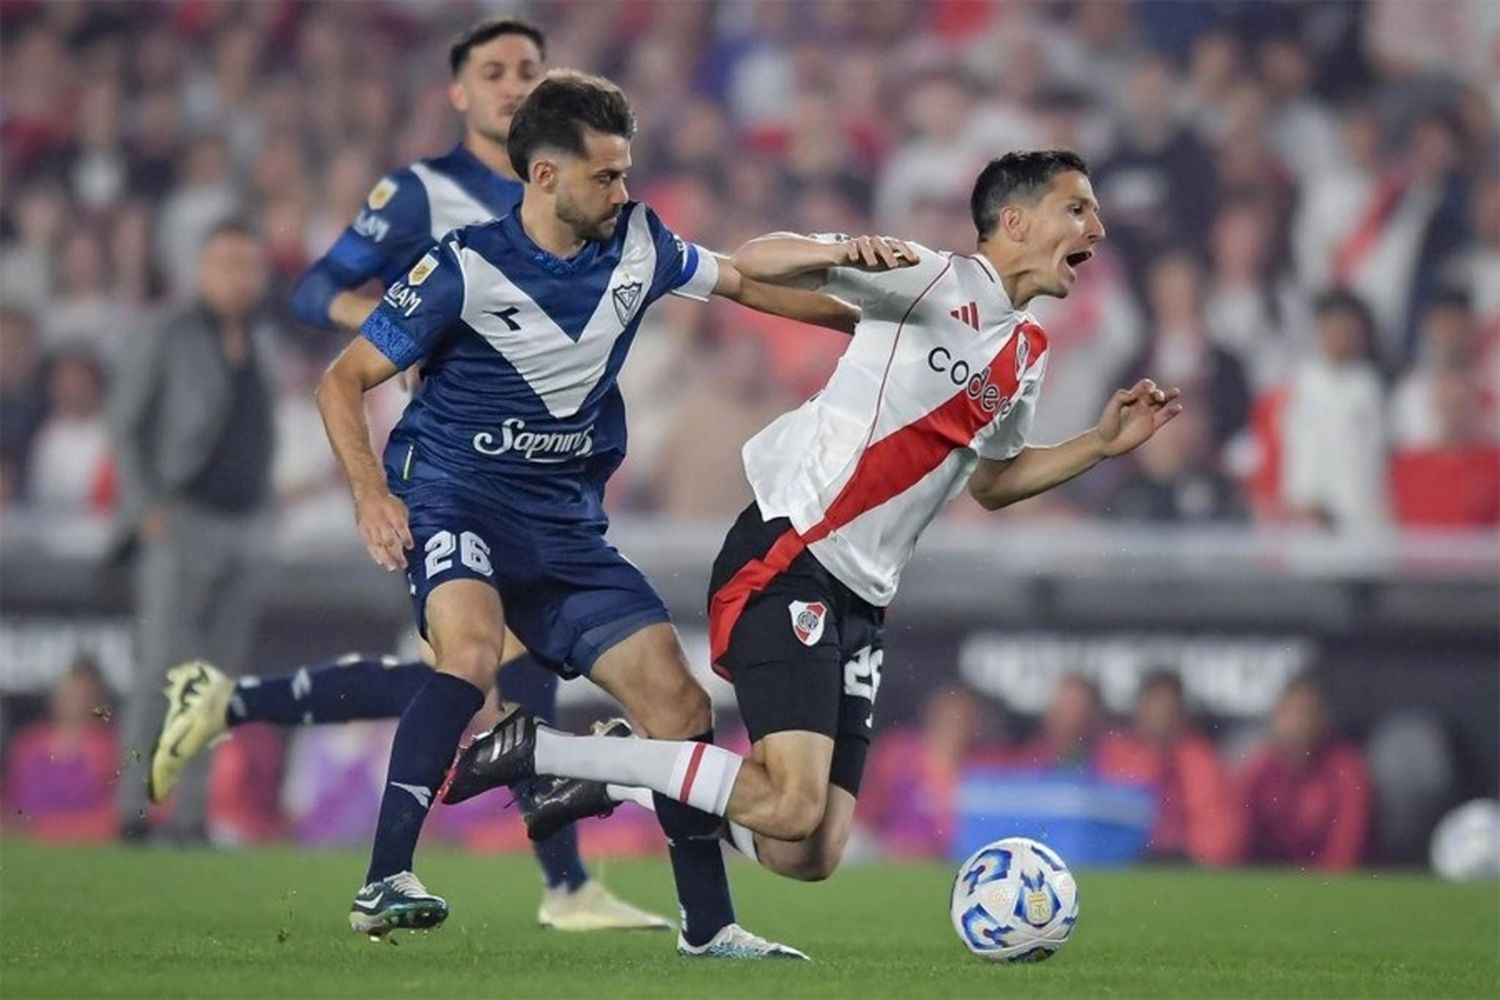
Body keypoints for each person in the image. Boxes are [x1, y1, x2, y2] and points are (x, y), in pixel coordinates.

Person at [447, 150, 1182, 886]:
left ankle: (624, 776)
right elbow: (759, 262)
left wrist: (1099, 445)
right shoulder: (928, 277)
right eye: (1078, 209)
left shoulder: (1027, 350)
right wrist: (844, 248)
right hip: (793, 552)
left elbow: (993, 482)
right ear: (1015, 222)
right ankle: (544, 752)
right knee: (793, 805)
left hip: (864, 598)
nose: (1099, 227)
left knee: (807, 851)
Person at [148, 16, 668, 935]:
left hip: (537, 474)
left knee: (460, 680)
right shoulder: (426, 194)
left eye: (530, 70)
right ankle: (559, 881)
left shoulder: (590, 204)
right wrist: (422, 317)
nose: (515, 83)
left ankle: (232, 701)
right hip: (445, 465)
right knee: (480, 670)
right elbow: (313, 291)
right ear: (460, 95)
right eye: (495, 70)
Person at [317, 70, 854, 953]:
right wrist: (373, 495)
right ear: (544, 178)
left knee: (680, 706)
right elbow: (342, 381)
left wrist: (878, 332)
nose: (623, 191)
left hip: (565, 529)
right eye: (605, 175)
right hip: (456, 499)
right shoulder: (465, 267)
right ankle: (384, 879)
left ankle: (709, 928)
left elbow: (750, 287)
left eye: (626, 172)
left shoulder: (642, 242)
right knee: (471, 652)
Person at [109, 220, 276, 843]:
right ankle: (131, 809)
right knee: (161, 670)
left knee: (215, 681)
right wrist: (146, 506)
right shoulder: (167, 332)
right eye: (227, 264)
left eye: (248, 265)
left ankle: (190, 815)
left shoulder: (260, 341)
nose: (239, 278)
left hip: (243, 525)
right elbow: (125, 427)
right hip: (181, 520)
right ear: (201, 270)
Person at [1092, 671, 1242, 865]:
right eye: (1154, 707)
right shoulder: (1116, 757)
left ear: (1181, 714)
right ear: (1140, 709)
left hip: (1191, 864)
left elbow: (1220, 829)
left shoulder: (1201, 760)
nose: (1161, 716)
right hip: (1128, 863)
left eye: (1168, 709)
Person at [1239, 674, 1371, 871]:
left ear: (1322, 720)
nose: (1295, 725)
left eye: (1304, 713)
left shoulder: (1345, 769)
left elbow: (1346, 847)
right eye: (1287, 712)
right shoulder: (1257, 768)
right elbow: (1233, 841)